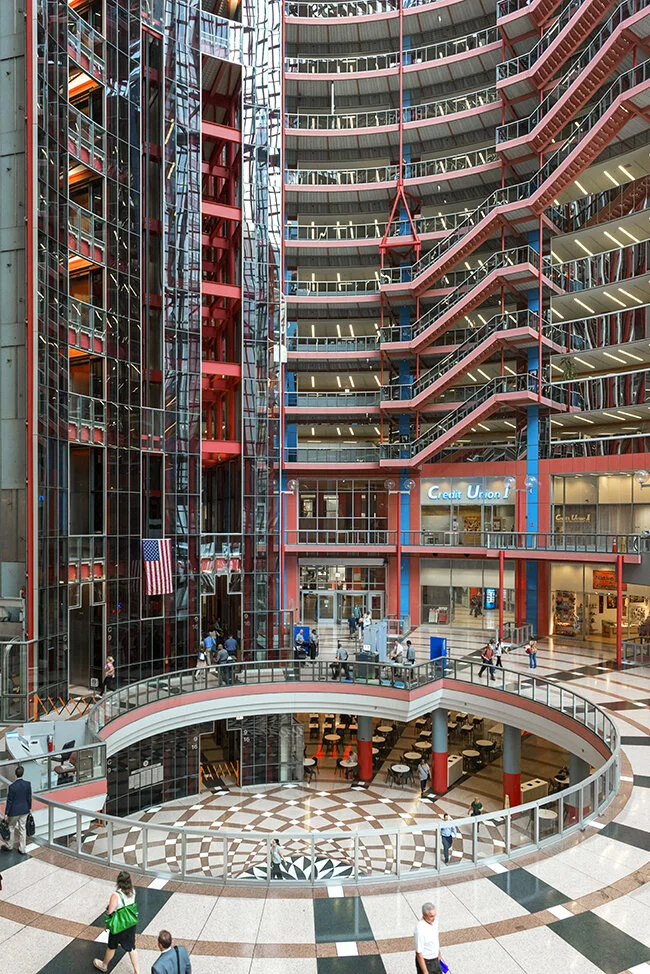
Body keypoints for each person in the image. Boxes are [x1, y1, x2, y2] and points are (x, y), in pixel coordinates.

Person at [93, 870, 139, 973]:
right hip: (130, 923)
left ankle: (104, 965)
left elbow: (111, 912)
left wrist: (107, 924)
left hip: (119, 925)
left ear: (119, 881)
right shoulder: (133, 891)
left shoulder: (116, 895)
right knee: (131, 947)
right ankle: (137, 971)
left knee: (111, 946)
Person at [1, 765, 31, 855]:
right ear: (23, 773)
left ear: (15, 774)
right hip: (24, 810)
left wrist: (6, 813)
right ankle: (22, 848)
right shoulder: (27, 784)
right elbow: (29, 797)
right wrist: (29, 807)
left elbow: (9, 801)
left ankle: (9, 846)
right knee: (22, 828)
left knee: (11, 827)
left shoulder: (12, 787)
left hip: (13, 811)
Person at [414, 902, 443, 974]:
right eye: (431, 916)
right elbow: (419, 953)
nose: (434, 918)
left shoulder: (435, 922)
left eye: (434, 915)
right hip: (426, 962)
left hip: (435, 959)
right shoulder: (420, 930)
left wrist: (438, 954)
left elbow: (435, 938)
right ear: (424, 915)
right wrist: (425, 972)